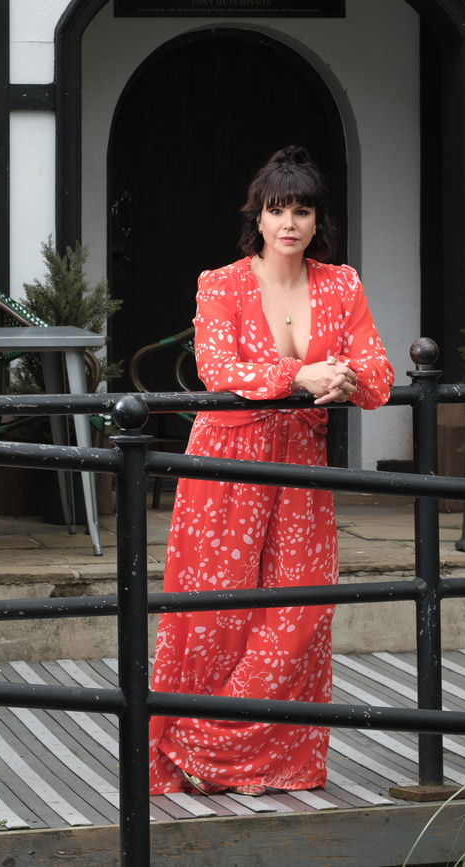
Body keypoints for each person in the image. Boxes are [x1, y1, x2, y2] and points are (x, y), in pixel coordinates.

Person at [148, 145, 394, 796]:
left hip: (300, 468)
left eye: (302, 210)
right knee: (217, 616)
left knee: (304, 607)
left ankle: (246, 752)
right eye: (276, 209)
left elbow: (379, 376)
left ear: (318, 220)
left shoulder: (341, 283)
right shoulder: (220, 283)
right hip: (226, 466)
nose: (289, 221)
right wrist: (298, 373)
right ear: (256, 216)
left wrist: (343, 377)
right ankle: (192, 752)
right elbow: (216, 369)